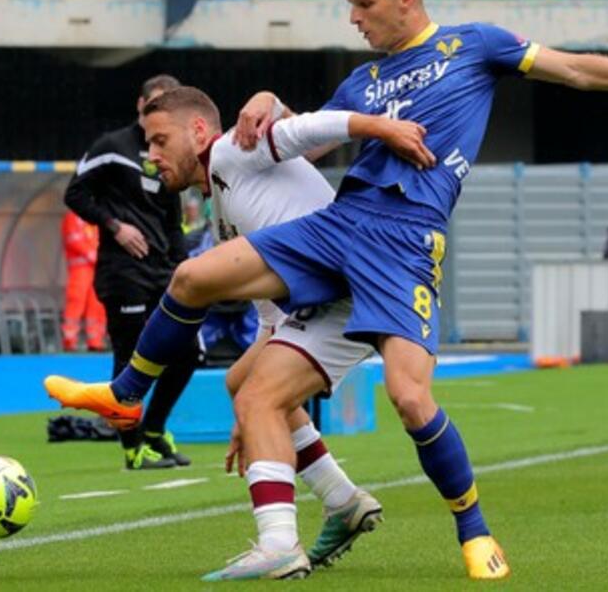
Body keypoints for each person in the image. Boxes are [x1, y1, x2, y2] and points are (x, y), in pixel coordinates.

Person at [44, 0, 608, 581]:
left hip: (404, 242)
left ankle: (474, 531)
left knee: (408, 397)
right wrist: (267, 104)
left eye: (364, 6)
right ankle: (128, 399)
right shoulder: (361, 81)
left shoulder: (474, 45)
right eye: (352, 7)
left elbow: (578, 68)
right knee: (194, 279)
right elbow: (297, 143)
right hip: (340, 226)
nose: (354, 19)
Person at [56, 86, 421, 579]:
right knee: (242, 386)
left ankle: (276, 542)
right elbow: (272, 310)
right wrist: (258, 407)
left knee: (196, 290)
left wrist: (381, 127)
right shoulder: (223, 206)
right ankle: (342, 500)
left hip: (346, 295)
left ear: (199, 132)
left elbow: (310, 127)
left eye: (161, 140)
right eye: (148, 143)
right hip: (323, 299)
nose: (152, 155)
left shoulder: (233, 149)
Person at [63, 74, 196, 470]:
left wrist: (186, 264)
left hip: (163, 271)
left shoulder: (169, 155)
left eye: (167, 107)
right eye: (153, 105)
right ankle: (132, 449)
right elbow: (74, 193)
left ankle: (154, 431)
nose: (158, 114)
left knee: (188, 353)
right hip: (123, 273)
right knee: (130, 356)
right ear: (140, 106)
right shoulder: (112, 148)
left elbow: (173, 222)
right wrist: (116, 227)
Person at [60, 211, 106, 352]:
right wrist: (94, 255)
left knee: (97, 304)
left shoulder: (97, 216)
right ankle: (69, 340)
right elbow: (73, 239)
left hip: (97, 267)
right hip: (80, 268)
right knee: (76, 301)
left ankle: (95, 341)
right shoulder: (73, 216)